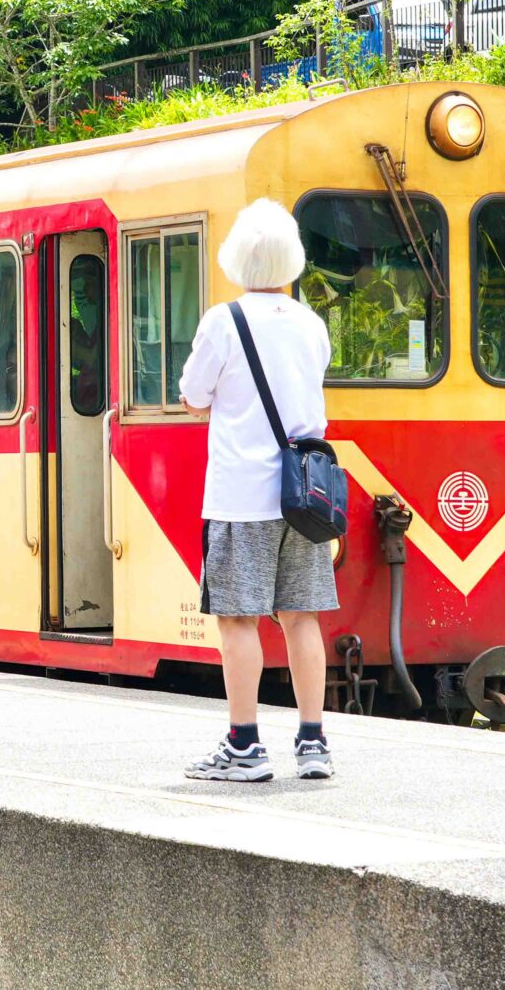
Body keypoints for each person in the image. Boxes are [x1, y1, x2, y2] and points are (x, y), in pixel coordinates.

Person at [179, 197, 337, 784]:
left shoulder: (223, 321)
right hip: (304, 495)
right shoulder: (311, 323)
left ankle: (244, 745)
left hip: (241, 496)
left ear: (236, 260)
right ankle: (313, 741)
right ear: (293, 262)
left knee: (238, 620)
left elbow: (194, 395)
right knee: (302, 618)